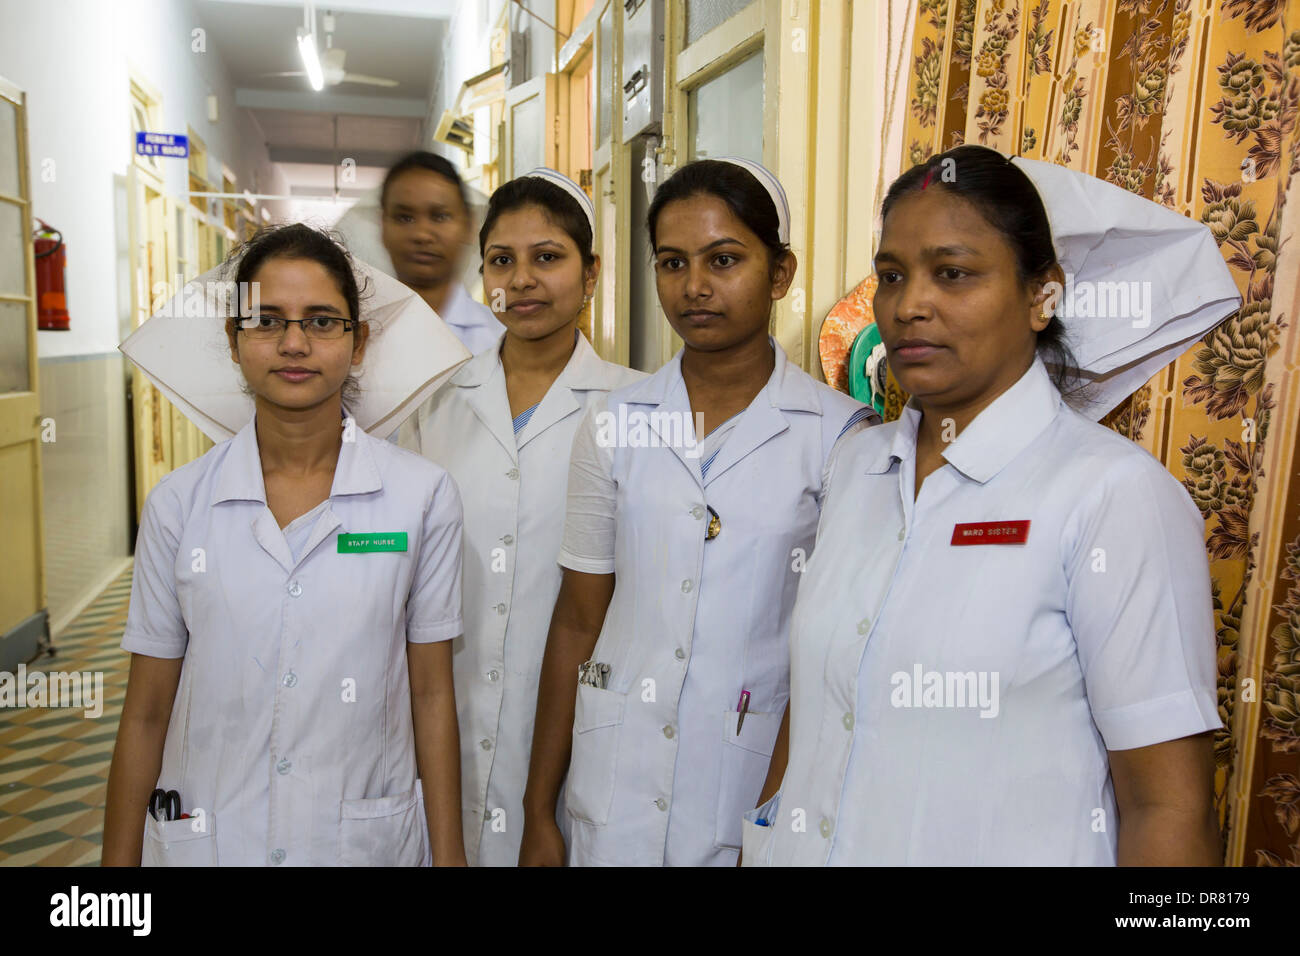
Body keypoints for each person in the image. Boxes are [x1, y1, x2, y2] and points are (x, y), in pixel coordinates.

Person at [743, 144, 1238, 866]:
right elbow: (820, 710)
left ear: (1043, 296)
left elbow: (1169, 810)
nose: (910, 305)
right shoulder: (857, 466)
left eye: (954, 273)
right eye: (891, 275)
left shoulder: (1113, 499)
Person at [518, 159, 877, 867]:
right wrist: (538, 809)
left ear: (780, 274)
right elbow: (578, 620)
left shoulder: (839, 438)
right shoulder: (615, 423)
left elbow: (835, 657)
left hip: (749, 784)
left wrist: (774, 826)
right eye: (673, 263)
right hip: (612, 790)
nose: (696, 287)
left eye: (725, 260)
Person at [103, 223, 468, 866]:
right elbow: (147, 711)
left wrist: (451, 858)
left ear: (358, 344)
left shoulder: (421, 497)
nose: (294, 343)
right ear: (233, 339)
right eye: (267, 320)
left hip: (360, 843)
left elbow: (432, 695)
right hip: (214, 839)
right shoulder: (178, 505)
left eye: (323, 321)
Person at [398, 168, 644, 866]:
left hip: (577, 737)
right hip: (441, 718)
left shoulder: (639, 409)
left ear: (591, 275)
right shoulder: (431, 403)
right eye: (502, 260)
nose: (524, 279)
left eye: (548, 257)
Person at [381, 151, 504, 353]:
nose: (422, 235)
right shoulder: (355, 334)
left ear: (469, 225)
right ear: (383, 226)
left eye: (439, 216)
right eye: (404, 218)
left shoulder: (502, 341)